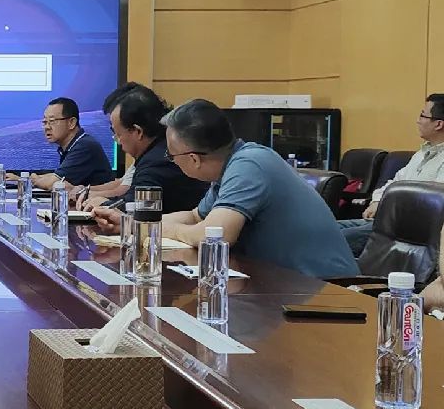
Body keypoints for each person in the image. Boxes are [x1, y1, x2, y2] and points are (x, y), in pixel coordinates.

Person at [93, 98, 358, 278]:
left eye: (171, 155)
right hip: (283, 285)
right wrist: (131, 223)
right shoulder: (232, 164)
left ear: (193, 158)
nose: (169, 160)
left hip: (324, 292)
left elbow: (213, 236)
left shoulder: (249, 165)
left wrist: (156, 229)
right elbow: (195, 216)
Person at [338, 94, 444, 256]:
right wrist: (377, 201)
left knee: (331, 239)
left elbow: (432, 204)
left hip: (406, 229)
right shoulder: (422, 153)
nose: (418, 121)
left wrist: (388, 208)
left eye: (423, 115)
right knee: (325, 229)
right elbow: (395, 182)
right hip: (386, 221)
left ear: (438, 124)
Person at [76, 85, 208, 213]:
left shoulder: (157, 162)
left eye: (118, 134)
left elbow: (138, 209)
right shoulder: (157, 149)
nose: (118, 141)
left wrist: (104, 204)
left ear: (137, 131)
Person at [10, 97, 114, 190]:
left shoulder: (84, 146)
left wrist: (28, 180)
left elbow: (53, 183)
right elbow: (56, 175)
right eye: (45, 122)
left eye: (52, 121)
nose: (47, 127)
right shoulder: (73, 144)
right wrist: (25, 178)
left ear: (71, 123)